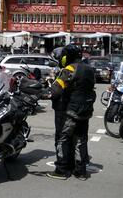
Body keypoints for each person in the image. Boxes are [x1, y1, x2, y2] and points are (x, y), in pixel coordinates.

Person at [44, 44, 96, 180]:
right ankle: (81, 172)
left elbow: (56, 90)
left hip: (70, 110)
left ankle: (61, 170)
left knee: (62, 138)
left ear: (67, 56)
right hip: (86, 110)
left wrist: (44, 92)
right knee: (81, 139)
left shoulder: (69, 69)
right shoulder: (89, 69)